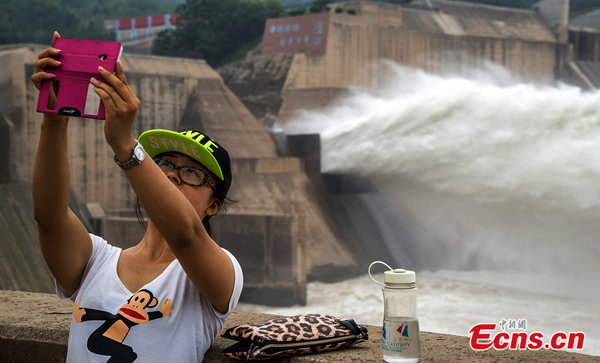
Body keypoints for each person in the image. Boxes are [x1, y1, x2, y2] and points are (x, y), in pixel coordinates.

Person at [30, 32, 243, 362]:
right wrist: (54, 120)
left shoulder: (218, 273)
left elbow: (185, 234)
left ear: (213, 205)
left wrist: (125, 145)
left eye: (192, 173)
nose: (172, 174)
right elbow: (49, 217)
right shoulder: (96, 261)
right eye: (166, 165)